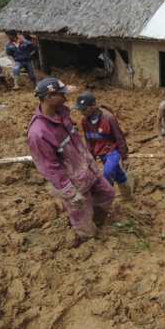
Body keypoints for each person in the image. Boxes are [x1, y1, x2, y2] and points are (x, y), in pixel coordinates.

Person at [27, 78, 115, 247]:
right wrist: (70, 193)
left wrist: (91, 165)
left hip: (87, 171)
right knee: (84, 222)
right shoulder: (38, 133)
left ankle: (96, 221)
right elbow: (49, 168)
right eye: (62, 94)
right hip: (73, 184)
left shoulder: (62, 114)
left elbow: (77, 143)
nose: (66, 98)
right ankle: (89, 243)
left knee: (107, 194)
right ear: (49, 97)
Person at [75, 92, 132, 199]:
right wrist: (90, 157)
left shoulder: (108, 118)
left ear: (93, 106)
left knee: (108, 173)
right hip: (100, 152)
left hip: (112, 150)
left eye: (84, 109)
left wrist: (124, 157)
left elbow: (119, 137)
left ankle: (106, 198)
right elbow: (88, 140)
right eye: (80, 110)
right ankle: (127, 195)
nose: (82, 112)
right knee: (118, 173)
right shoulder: (84, 121)